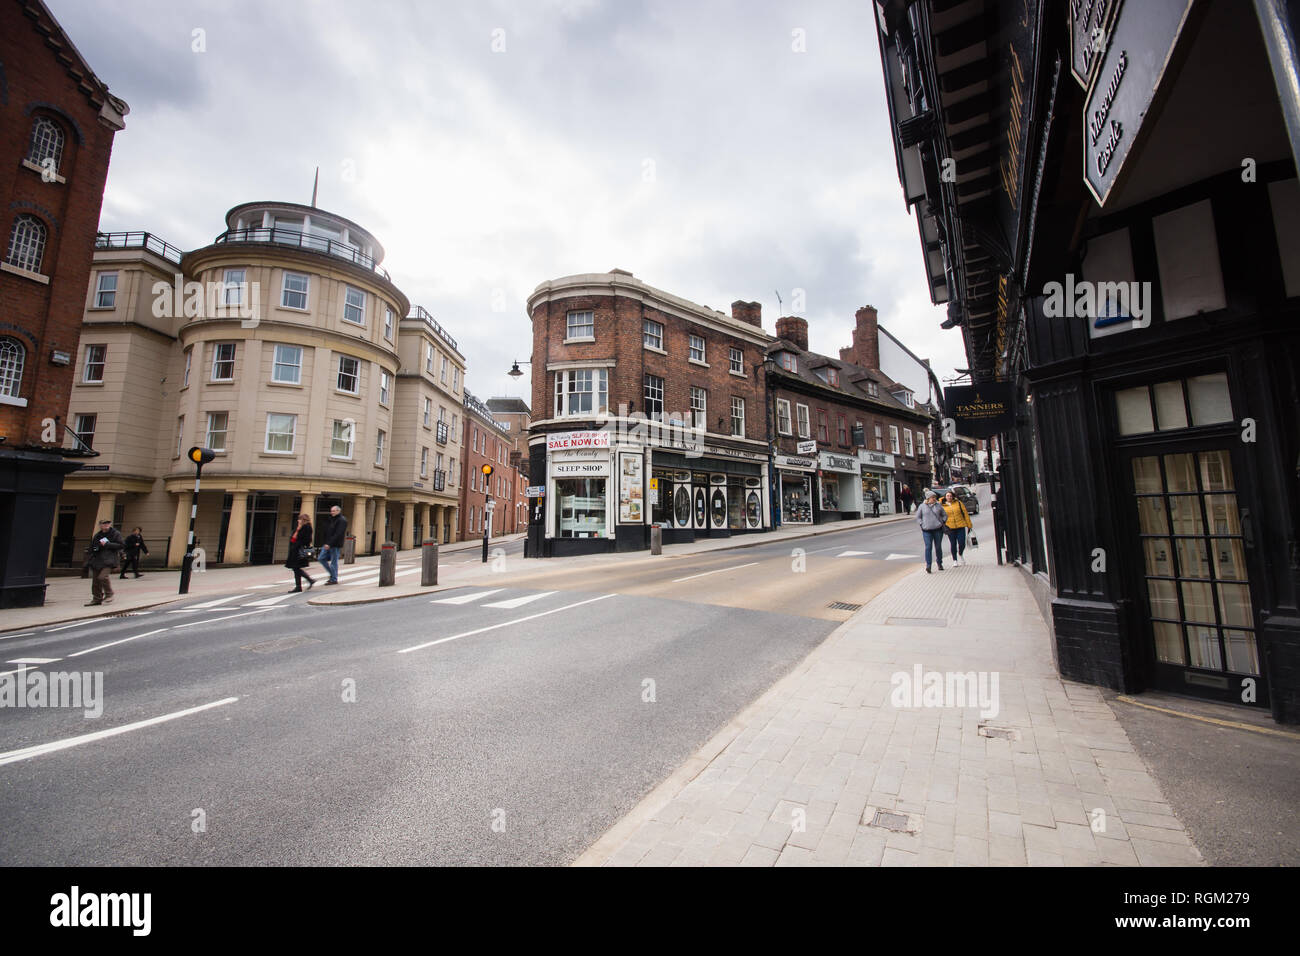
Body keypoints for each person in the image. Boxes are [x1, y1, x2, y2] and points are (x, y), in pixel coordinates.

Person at [83, 517, 124, 605]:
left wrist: (108, 544)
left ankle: (109, 594)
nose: (106, 525)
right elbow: (92, 547)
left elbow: (121, 545)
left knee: (102, 577)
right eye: (104, 523)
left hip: (109, 560)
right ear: (100, 525)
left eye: (108, 523)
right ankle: (97, 599)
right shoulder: (97, 535)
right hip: (97, 560)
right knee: (95, 582)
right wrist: (94, 550)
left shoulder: (115, 534)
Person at [916, 490, 947, 573]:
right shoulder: (922, 506)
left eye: (935, 497)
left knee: (938, 547)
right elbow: (918, 517)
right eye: (932, 497)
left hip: (938, 529)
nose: (934, 499)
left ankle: (939, 563)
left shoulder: (938, 505)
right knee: (928, 547)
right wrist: (921, 524)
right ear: (928, 498)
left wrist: (943, 522)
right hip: (926, 530)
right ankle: (928, 565)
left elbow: (944, 515)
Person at [941, 489, 973, 566]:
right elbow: (940, 516)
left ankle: (960, 553)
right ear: (945, 497)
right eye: (948, 496)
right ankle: (955, 560)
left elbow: (965, 514)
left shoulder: (958, 503)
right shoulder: (942, 505)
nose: (949, 497)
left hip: (960, 526)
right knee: (953, 544)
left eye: (950, 496)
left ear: (953, 497)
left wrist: (969, 525)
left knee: (962, 542)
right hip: (950, 527)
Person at [318, 504, 347, 585]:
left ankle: (334, 579)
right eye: (331, 511)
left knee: (333, 562)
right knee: (321, 558)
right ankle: (333, 575)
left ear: (338, 511)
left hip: (335, 545)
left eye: (334, 511)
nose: (332, 512)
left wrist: (330, 543)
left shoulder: (342, 520)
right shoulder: (331, 519)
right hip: (327, 543)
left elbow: (338, 533)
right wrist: (325, 542)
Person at [285, 513, 316, 592]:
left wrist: (298, 533)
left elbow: (306, 540)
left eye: (300, 519)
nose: (298, 521)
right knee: (296, 568)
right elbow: (293, 538)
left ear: (303, 520)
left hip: (299, 550)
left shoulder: (307, 527)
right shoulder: (299, 527)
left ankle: (307, 581)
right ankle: (301, 585)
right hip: (295, 549)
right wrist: (298, 529)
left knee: (296, 567)